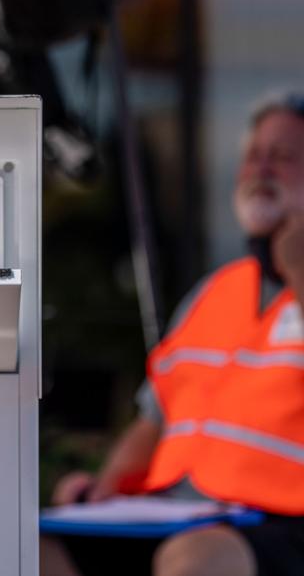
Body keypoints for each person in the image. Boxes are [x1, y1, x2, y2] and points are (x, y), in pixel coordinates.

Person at [44, 91, 304, 576]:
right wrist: (106, 489)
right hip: (174, 512)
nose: (261, 169)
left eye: (284, 157)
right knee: (32, 550)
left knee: (192, 561)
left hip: (279, 521)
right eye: (253, 157)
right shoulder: (215, 291)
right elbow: (154, 417)